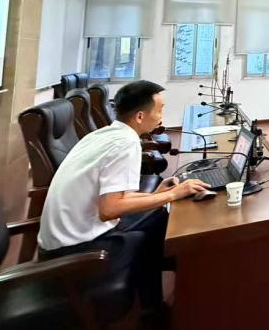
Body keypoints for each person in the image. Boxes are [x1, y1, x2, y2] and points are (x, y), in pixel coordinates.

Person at [38, 80, 209, 313]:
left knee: (158, 216)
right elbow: (109, 209)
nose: (161, 116)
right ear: (140, 116)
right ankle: (160, 305)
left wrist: (160, 194)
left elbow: (115, 197)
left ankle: (165, 290)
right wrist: (173, 194)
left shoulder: (103, 134)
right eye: (159, 110)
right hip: (74, 251)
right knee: (145, 236)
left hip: (65, 238)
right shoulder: (126, 144)